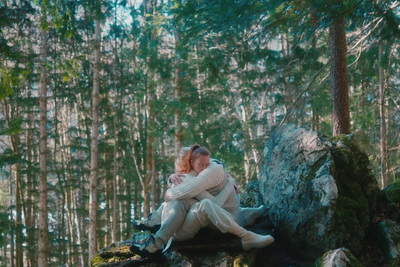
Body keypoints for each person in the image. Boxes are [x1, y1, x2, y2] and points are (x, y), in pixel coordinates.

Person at [130, 145, 274, 257]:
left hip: (180, 218)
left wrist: (226, 177)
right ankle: (246, 235)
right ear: (191, 162)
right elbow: (213, 202)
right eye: (201, 164)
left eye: (207, 163)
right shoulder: (187, 180)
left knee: (193, 202)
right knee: (202, 204)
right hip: (178, 231)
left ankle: (247, 215)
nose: (206, 167)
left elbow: (215, 164)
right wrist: (229, 183)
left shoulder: (190, 177)